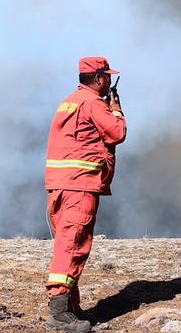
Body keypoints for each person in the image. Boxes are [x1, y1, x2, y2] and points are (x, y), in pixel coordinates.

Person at [44, 56, 126, 332]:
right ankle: (58, 315)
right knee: (72, 246)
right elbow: (117, 133)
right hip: (80, 186)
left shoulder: (69, 101)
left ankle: (69, 308)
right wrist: (116, 110)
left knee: (67, 243)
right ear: (101, 79)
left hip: (59, 185)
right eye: (107, 77)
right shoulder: (93, 103)